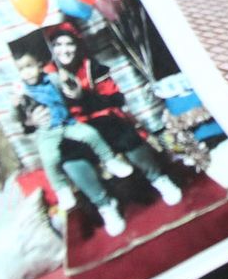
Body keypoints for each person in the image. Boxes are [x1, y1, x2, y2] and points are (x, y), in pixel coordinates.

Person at [46, 24, 184, 211]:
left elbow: (115, 99)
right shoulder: (46, 76)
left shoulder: (91, 66)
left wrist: (83, 95)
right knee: (69, 158)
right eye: (58, 45)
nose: (64, 50)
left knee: (124, 134)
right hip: (73, 127)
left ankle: (158, 179)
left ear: (77, 46)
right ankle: (105, 205)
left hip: (102, 118)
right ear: (52, 49)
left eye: (69, 44)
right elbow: (42, 114)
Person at [12, 50, 136, 229]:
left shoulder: (52, 78)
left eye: (30, 67)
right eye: (21, 70)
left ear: (39, 65)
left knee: (91, 135)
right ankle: (62, 190)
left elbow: (72, 87)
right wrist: (17, 108)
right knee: (49, 159)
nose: (27, 73)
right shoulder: (22, 91)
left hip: (68, 123)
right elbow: (18, 119)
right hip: (48, 131)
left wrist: (67, 77)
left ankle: (110, 160)